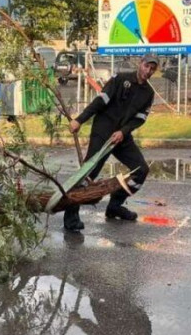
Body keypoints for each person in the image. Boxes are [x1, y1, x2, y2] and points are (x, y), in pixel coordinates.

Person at [62, 56, 158, 232]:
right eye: (146, 66)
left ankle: (115, 206)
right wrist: (80, 120)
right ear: (140, 64)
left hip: (121, 137)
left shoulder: (148, 93)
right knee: (88, 174)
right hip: (103, 132)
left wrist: (123, 132)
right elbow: (100, 102)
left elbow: (140, 118)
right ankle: (71, 216)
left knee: (141, 170)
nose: (148, 71)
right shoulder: (120, 79)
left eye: (152, 69)